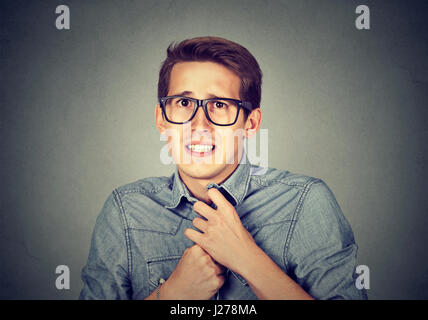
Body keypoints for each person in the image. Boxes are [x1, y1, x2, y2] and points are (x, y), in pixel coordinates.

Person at [79, 36, 367, 300]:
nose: (199, 125)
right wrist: (171, 296)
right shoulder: (125, 210)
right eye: (183, 102)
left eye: (219, 104)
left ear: (250, 124)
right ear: (161, 119)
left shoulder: (306, 202)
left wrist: (249, 261)